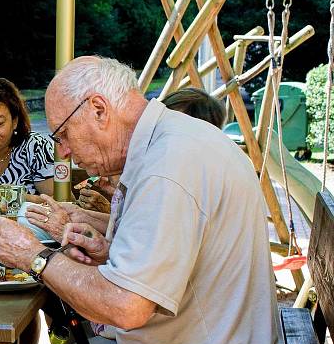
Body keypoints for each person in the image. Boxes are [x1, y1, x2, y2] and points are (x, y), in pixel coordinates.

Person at [0, 57, 285, 344]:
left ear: (98, 109)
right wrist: (110, 250)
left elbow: (127, 308)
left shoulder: (168, 168)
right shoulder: (174, 141)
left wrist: (35, 256)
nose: (65, 152)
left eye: (63, 134)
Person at [28, 87, 227, 242]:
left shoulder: (172, 170)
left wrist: (38, 258)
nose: (64, 151)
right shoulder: (161, 162)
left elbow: (140, 271)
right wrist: (84, 214)